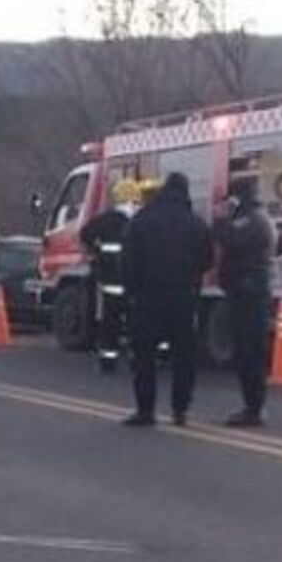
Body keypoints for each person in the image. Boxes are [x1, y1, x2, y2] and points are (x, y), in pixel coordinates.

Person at [120, 171, 211, 426]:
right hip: (183, 298)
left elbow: (127, 261)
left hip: (148, 298)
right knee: (184, 357)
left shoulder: (141, 220)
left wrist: (131, 294)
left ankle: (145, 410)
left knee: (144, 357)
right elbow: (207, 260)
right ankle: (180, 410)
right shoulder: (196, 223)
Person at [211, 177, 276, 427]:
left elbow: (229, 238)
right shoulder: (254, 217)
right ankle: (252, 406)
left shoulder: (252, 219)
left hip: (250, 293)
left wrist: (219, 219)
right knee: (246, 352)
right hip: (246, 291)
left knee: (250, 352)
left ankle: (253, 408)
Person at [76, 178, 144, 374]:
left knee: (110, 324)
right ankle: (136, 360)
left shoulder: (106, 220)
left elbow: (84, 234)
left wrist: (96, 250)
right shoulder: (141, 221)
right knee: (135, 324)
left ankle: (108, 362)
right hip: (136, 285)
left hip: (111, 282)